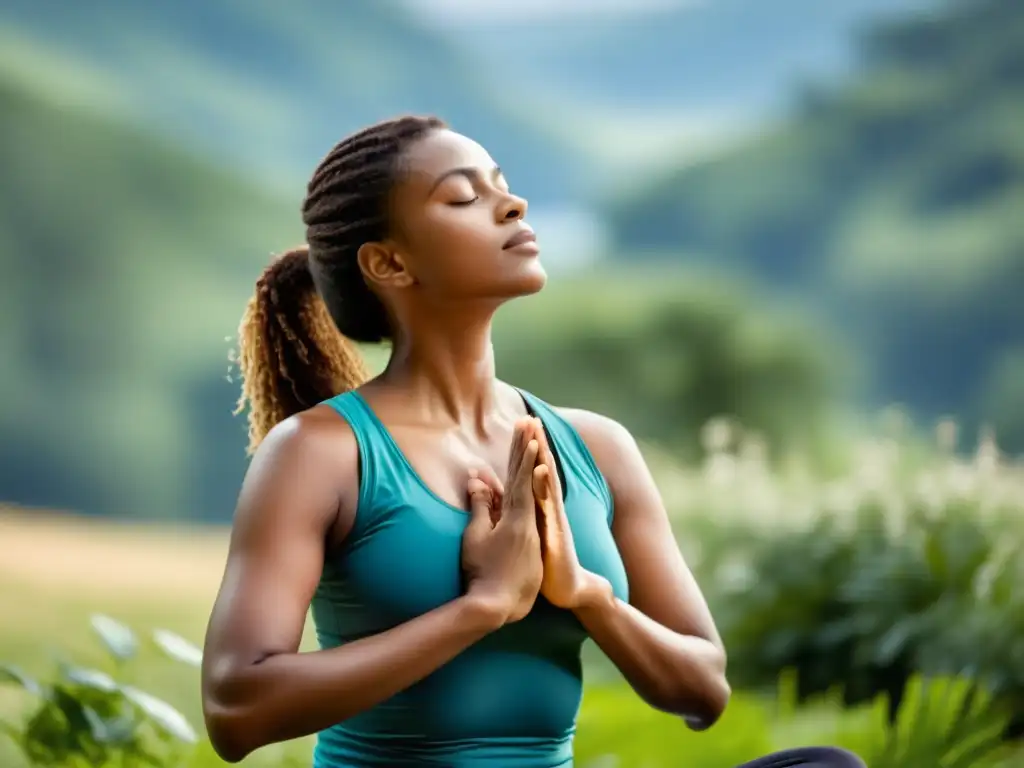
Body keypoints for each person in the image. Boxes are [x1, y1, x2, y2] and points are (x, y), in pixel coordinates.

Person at [200, 115, 865, 768]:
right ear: (389, 262)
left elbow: (702, 689)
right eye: (464, 197)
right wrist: (482, 608)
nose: (511, 204)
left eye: (501, 185)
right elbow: (237, 711)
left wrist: (585, 594)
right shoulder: (319, 452)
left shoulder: (596, 446)